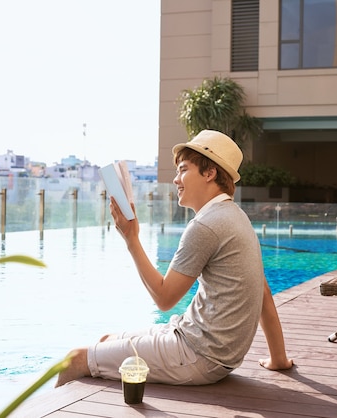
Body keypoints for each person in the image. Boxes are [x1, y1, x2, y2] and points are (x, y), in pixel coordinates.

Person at [55, 130, 293, 387]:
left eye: (183, 170)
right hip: (211, 351)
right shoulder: (236, 217)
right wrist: (278, 359)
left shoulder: (206, 225)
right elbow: (264, 292)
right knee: (105, 340)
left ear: (209, 173)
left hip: (197, 356)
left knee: (74, 360)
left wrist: (131, 238)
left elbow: (164, 298)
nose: (176, 179)